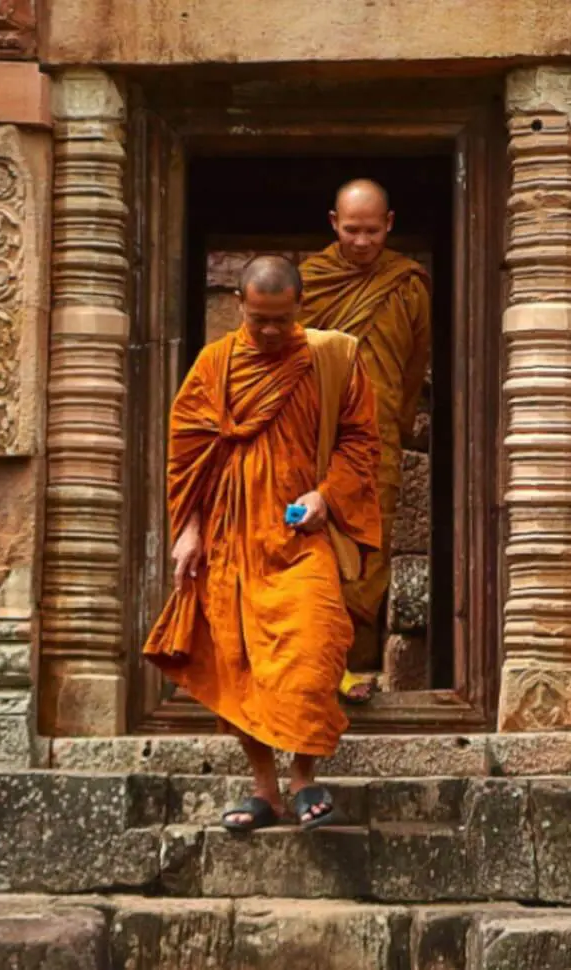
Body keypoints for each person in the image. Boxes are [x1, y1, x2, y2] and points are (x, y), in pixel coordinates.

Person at [143, 254, 382, 831]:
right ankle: (264, 791)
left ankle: (304, 779)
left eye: (279, 319)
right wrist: (189, 531)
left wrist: (327, 495)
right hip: (231, 539)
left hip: (302, 537)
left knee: (313, 649)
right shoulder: (215, 365)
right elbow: (188, 455)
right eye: (258, 321)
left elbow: (361, 442)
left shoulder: (334, 359)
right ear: (239, 309)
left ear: (299, 307)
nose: (270, 332)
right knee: (242, 664)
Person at [299, 179, 431, 705]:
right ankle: (308, 667)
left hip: (377, 446)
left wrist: (392, 429)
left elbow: (413, 363)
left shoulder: (407, 286)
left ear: (390, 224)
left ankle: (353, 668)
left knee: (369, 555)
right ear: (334, 223)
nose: (361, 242)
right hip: (314, 446)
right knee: (312, 552)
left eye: (372, 231)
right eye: (351, 230)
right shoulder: (308, 283)